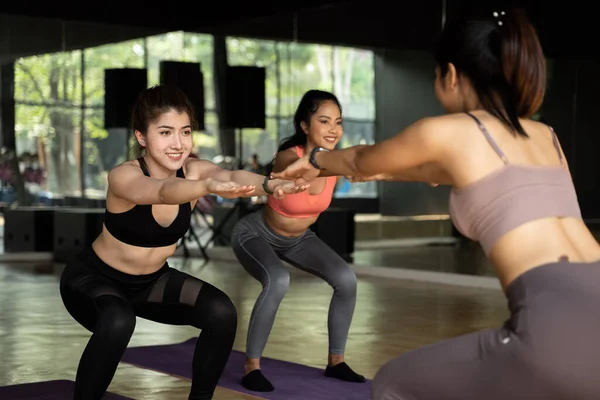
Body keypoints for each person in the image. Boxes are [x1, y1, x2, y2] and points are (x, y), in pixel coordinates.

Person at [272, 10, 600, 400]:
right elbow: (407, 172)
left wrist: (314, 161)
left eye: (434, 75)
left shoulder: (446, 131)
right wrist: (348, 170)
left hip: (555, 329)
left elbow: (362, 160)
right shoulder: (547, 136)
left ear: (451, 74)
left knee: (393, 383)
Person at [59, 85, 308, 400]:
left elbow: (235, 176)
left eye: (185, 131)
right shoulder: (124, 176)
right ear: (142, 138)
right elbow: (163, 191)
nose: (178, 143)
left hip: (150, 283)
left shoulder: (194, 171)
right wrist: (206, 186)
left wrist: (273, 184)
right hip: (92, 281)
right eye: (165, 132)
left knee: (222, 312)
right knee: (119, 319)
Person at [231, 89, 365, 392]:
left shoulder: (336, 163)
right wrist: (347, 163)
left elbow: (357, 165)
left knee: (346, 279)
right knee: (277, 279)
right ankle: (252, 367)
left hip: (300, 239)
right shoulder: (288, 157)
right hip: (256, 233)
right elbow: (308, 162)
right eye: (324, 121)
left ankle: (336, 362)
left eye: (338, 122)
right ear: (305, 126)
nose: (333, 129)